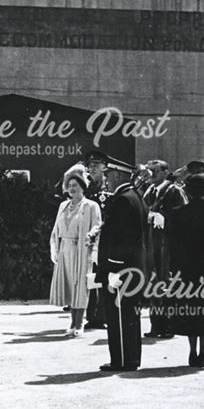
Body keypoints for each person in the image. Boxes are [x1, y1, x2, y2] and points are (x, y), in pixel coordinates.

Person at [165, 173, 204, 366]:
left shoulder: (176, 213)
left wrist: (172, 270)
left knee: (189, 310)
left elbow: (173, 245)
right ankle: (203, 352)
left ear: (188, 191)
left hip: (186, 268)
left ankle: (192, 351)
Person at [95, 160, 149, 372]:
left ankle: (122, 360)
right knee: (130, 314)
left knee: (119, 315)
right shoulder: (136, 197)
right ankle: (131, 358)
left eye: (108, 175)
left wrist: (114, 269)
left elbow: (121, 239)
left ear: (118, 175)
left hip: (121, 269)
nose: (106, 180)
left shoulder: (123, 201)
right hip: (133, 267)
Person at [49, 165, 102, 336]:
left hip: (82, 249)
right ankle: (72, 322)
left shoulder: (91, 206)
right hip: (66, 249)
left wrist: (93, 248)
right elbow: (56, 230)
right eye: (69, 185)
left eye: (75, 185)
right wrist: (55, 249)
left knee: (80, 286)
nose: (71, 189)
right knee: (70, 286)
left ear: (82, 187)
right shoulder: (63, 205)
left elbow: (97, 227)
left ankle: (79, 324)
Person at [142, 159, 185, 338]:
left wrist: (164, 217)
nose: (151, 174)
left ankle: (168, 325)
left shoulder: (175, 191)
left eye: (155, 170)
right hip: (153, 244)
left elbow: (184, 215)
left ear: (164, 173)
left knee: (167, 284)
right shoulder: (150, 191)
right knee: (153, 282)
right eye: (149, 170)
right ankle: (156, 325)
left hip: (168, 245)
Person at [83, 151, 111, 331]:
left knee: (105, 277)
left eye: (96, 164)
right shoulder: (84, 187)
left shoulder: (110, 186)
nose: (92, 168)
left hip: (106, 238)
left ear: (105, 167)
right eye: (90, 165)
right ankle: (92, 315)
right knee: (90, 277)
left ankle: (104, 315)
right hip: (89, 239)